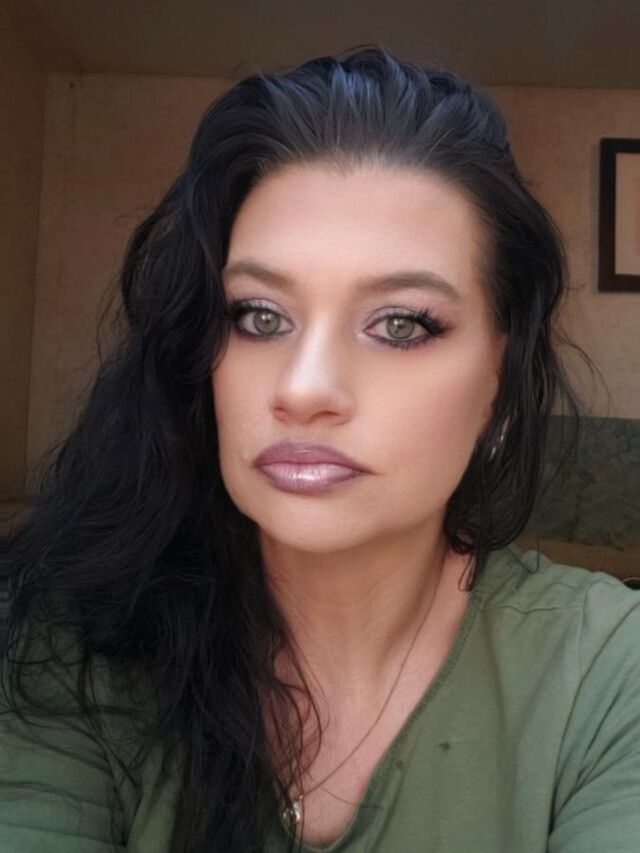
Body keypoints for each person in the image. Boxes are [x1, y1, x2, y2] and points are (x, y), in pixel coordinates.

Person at [0, 44, 638, 853]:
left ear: (500, 390)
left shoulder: (608, 670)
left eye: (400, 324)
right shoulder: (65, 646)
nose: (302, 388)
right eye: (259, 316)